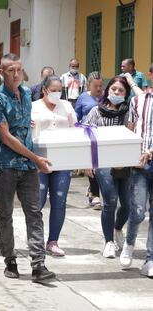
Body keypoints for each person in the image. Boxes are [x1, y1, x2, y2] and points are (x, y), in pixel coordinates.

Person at [0, 53, 56, 283]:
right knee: (5, 214)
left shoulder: (26, 94)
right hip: (5, 165)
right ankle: (10, 260)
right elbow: (6, 137)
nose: (15, 74)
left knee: (34, 213)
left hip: (27, 166)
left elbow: (25, 125)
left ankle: (38, 264)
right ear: (1, 72)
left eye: (18, 69)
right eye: (10, 71)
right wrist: (36, 159)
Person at [31, 75, 77, 256]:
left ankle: (53, 241)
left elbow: (76, 128)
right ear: (44, 90)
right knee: (38, 201)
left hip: (63, 160)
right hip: (40, 160)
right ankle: (35, 239)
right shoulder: (33, 107)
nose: (57, 94)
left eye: (60, 91)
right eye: (53, 90)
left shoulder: (66, 106)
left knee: (59, 201)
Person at [85, 76, 131, 259]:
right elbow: (86, 135)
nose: (117, 93)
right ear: (108, 90)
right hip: (103, 162)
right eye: (114, 89)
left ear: (126, 94)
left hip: (126, 163)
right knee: (110, 201)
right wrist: (88, 162)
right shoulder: (96, 111)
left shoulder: (129, 112)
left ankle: (118, 228)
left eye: (121, 90)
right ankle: (108, 242)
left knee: (127, 205)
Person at [120, 63, 153, 276]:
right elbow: (131, 130)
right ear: (150, 75)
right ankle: (129, 243)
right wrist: (127, 156)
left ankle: (150, 260)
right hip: (139, 165)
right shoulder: (137, 100)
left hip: (148, 156)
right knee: (138, 211)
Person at [75, 71, 104, 209]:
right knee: (91, 164)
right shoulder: (83, 98)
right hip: (87, 134)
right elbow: (77, 114)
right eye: (95, 86)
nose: (98, 89)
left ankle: (93, 190)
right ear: (89, 86)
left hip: (102, 134)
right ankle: (95, 194)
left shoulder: (107, 97)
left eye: (100, 86)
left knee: (100, 164)